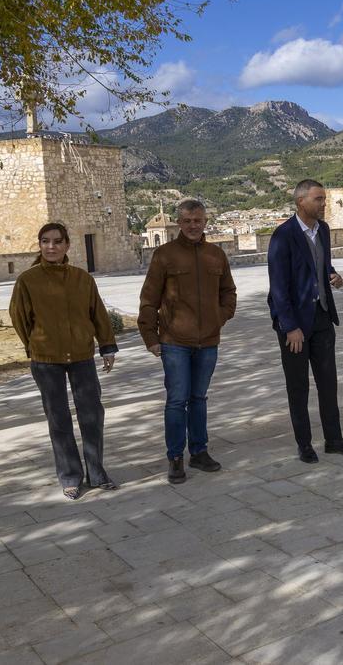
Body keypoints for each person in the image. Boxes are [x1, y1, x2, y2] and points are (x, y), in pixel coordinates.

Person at [9, 222, 118, 500]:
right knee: (58, 419)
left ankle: (97, 472)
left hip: (82, 355)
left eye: (57, 241)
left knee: (92, 414)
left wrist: (107, 346)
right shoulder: (27, 280)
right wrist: (34, 345)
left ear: (68, 245)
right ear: (40, 245)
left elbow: (98, 314)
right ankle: (70, 476)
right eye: (45, 241)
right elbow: (19, 318)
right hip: (46, 361)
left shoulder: (82, 279)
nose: (51, 247)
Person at [138, 199, 237, 484]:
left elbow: (228, 292)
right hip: (174, 342)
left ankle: (199, 451)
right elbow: (149, 299)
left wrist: (219, 316)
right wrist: (150, 337)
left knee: (199, 398)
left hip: (208, 341)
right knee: (177, 399)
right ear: (179, 223)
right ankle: (175, 457)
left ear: (205, 222)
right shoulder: (164, 256)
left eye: (198, 220)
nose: (193, 226)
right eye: (187, 221)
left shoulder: (216, 255)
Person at [267, 179, 343, 463]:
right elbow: (279, 287)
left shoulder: (323, 230)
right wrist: (290, 327)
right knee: (298, 387)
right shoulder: (283, 236)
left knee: (328, 383)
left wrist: (335, 277)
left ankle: (334, 439)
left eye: (324, 199)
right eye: (319, 199)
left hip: (322, 318)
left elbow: (321, 266)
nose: (324, 204)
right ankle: (305, 444)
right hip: (294, 325)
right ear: (301, 202)